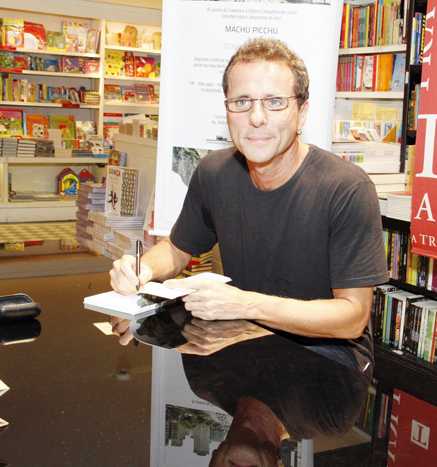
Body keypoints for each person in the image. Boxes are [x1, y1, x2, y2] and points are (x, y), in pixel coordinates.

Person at [110, 37, 389, 372]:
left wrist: (244, 305)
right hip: (242, 338)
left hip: (328, 360)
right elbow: (178, 248)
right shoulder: (213, 172)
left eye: (274, 101)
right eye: (241, 102)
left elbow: (352, 318)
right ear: (227, 111)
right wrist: (143, 270)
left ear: (302, 112)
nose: (256, 117)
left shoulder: (346, 188)